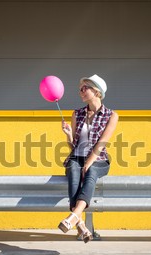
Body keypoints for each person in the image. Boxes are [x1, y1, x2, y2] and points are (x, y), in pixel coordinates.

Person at [58, 74, 119, 243]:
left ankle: (74, 218)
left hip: (99, 160)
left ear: (97, 91)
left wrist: (89, 162)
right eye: (80, 89)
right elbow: (73, 146)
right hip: (77, 157)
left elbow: (101, 143)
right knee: (73, 173)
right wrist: (69, 135)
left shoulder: (111, 115)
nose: (81, 91)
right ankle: (81, 226)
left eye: (85, 88)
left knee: (91, 171)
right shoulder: (76, 114)